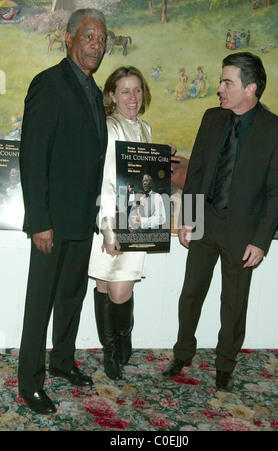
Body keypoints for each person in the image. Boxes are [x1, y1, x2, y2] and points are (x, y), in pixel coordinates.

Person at [162, 52, 278, 391]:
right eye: (221, 81)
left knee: (233, 303)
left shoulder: (277, 131)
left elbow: (277, 193)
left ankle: (225, 366)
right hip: (204, 222)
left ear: (250, 88)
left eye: (227, 82)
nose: (219, 88)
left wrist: (261, 240)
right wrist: (187, 220)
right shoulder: (211, 118)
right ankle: (182, 353)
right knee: (191, 293)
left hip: (243, 233)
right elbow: (198, 172)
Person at [18, 8, 108, 415]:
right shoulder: (48, 84)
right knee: (40, 303)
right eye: (89, 36)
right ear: (69, 38)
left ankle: (62, 361)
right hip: (51, 222)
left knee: (71, 296)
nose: (97, 45)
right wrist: (40, 221)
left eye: (102, 39)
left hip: (81, 220)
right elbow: (32, 158)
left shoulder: (93, 90)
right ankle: (29, 381)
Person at [88, 66, 175, 380]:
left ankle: (121, 341)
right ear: (112, 95)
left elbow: (142, 178)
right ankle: (110, 349)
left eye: (137, 89)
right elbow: (106, 182)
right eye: (125, 91)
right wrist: (109, 228)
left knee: (118, 287)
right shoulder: (109, 127)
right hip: (110, 218)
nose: (132, 97)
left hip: (136, 220)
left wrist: (160, 158)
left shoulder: (146, 129)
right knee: (105, 283)